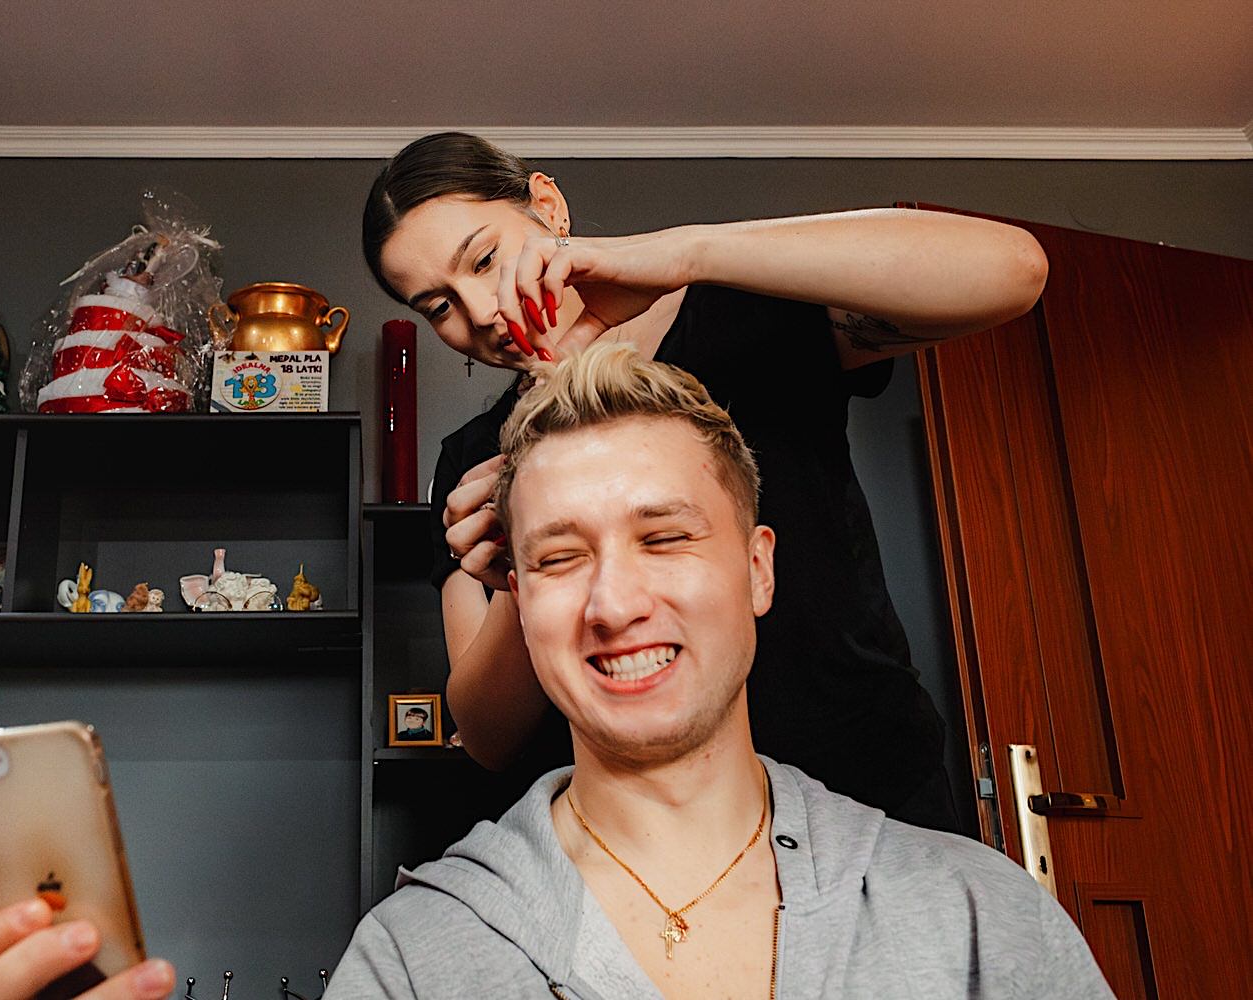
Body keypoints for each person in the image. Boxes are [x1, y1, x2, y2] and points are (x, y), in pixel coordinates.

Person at [324, 343, 1111, 999]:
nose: (614, 604)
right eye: (560, 558)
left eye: (664, 538)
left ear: (758, 570)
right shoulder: (411, 963)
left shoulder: (977, 918)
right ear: (521, 607)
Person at [363, 131, 1049, 829]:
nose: (480, 311)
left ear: (547, 206)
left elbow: (1015, 271)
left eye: (484, 259)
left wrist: (685, 255)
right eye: (438, 306)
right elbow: (487, 740)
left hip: (866, 793)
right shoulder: (471, 463)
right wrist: (526, 566)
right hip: (640, 836)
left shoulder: (742, 310)